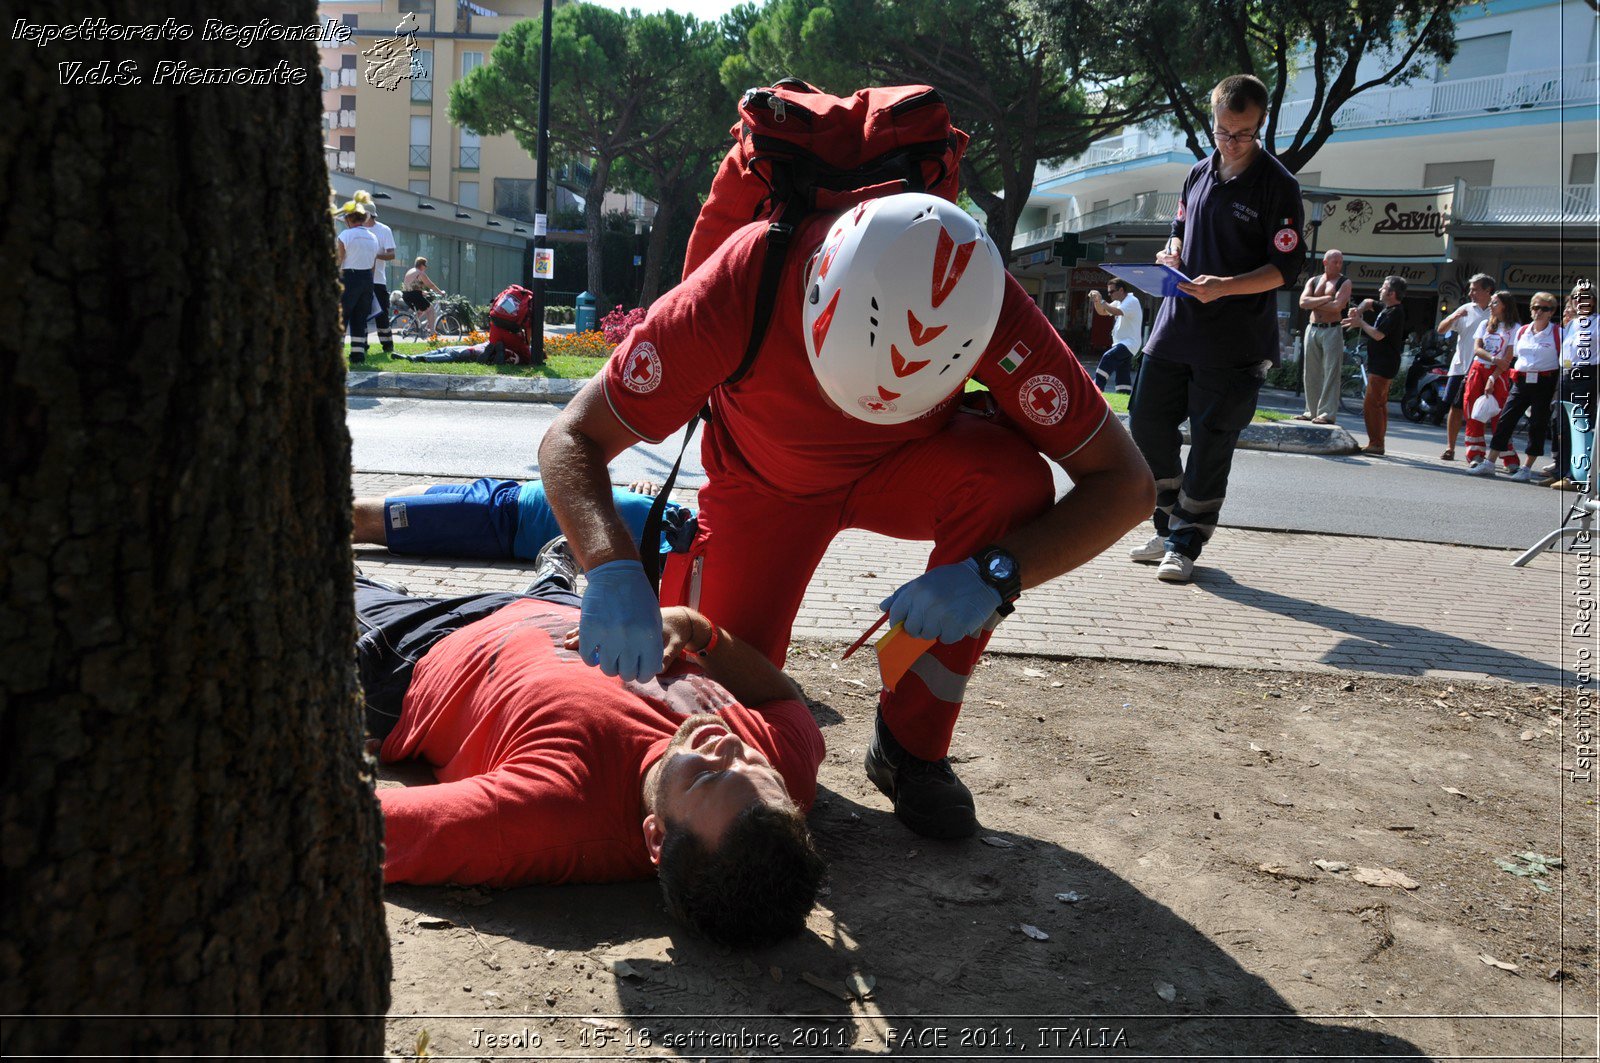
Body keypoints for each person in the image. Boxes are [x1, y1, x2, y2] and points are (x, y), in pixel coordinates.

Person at [539, 191, 1154, 840]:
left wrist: (997, 571)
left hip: (903, 470)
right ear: (817, 291)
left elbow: (1128, 485)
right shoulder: (743, 282)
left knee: (1010, 483)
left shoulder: (985, 298)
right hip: (764, 483)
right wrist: (610, 567)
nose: (867, 406)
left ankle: (910, 745)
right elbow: (571, 436)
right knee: (722, 697)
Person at [359, 555, 826, 947]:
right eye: (755, 764)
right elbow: (786, 702)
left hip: (417, 647)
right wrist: (694, 627)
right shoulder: (780, 775)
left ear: (656, 838)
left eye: (706, 776)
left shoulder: (551, 812)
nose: (726, 746)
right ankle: (553, 573)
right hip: (577, 613)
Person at [1128, 74, 1305, 584]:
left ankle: (1185, 542)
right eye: (1222, 131)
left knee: (1212, 439)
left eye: (1242, 134)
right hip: (1176, 323)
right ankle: (1170, 520)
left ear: (1261, 125)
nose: (1230, 142)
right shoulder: (1197, 173)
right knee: (1145, 421)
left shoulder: (1279, 186)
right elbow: (1179, 228)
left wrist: (1226, 285)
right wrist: (1171, 251)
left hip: (1234, 340)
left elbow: (1285, 270)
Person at [353, 478, 696, 563]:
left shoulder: (683, 551)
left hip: (500, 526)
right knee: (400, 499)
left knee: (366, 518)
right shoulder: (686, 517)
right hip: (509, 494)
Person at [1473, 291, 1563, 481]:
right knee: (1506, 420)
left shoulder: (1557, 333)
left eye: (1544, 308)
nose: (1538, 312)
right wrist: (1494, 378)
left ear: (1551, 312)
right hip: (1521, 380)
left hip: (1544, 381)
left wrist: (1557, 389)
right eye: (1535, 307)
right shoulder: (1522, 331)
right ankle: (1490, 462)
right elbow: (1511, 357)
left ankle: (1527, 467)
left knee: (1537, 425)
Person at [1342, 276, 1407, 456]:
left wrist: (1359, 323)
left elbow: (1378, 335)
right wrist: (1359, 310)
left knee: (1372, 404)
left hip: (1384, 365)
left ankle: (1376, 443)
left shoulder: (1395, 312)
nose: (1379, 290)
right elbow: (1369, 302)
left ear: (1392, 293)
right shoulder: (1387, 308)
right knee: (1379, 403)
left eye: (1383, 287)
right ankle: (1377, 442)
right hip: (1381, 363)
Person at [1435, 274, 1496, 460]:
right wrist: (1454, 315)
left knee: (1482, 409)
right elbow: (1441, 329)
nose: (1471, 293)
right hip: (1461, 367)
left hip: (1485, 369)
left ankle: (1479, 450)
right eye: (1470, 289)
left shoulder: (1496, 312)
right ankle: (1450, 448)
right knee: (1456, 407)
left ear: (1488, 291)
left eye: (1475, 289)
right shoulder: (1466, 309)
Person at [1461, 290, 1520, 471]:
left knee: (1500, 415)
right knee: (1474, 411)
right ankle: (1476, 454)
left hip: (1499, 374)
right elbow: (1477, 349)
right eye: (1491, 302)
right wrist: (1493, 359)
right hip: (1478, 370)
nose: (1490, 306)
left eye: (1495, 303)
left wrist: (1493, 378)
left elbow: (1507, 358)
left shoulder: (1514, 328)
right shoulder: (1485, 324)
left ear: (1505, 306)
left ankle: (1508, 458)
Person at [1547, 280, 1595, 488]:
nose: (1578, 301)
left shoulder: (1598, 321)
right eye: (1574, 297)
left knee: (1579, 424)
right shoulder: (1572, 323)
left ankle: (1576, 476)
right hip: (1566, 373)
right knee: (1559, 423)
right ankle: (1561, 469)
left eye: (1583, 297)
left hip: (1587, 373)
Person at [1296, 248, 1352, 424]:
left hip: (1332, 329)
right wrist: (1325, 299)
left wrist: (1314, 303)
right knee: (1310, 371)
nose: (1338, 264)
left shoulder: (1344, 282)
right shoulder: (1314, 280)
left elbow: (1337, 307)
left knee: (1331, 372)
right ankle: (1310, 411)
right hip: (1312, 328)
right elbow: (1302, 302)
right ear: (1325, 262)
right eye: (1335, 261)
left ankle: (1326, 413)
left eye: (1340, 261)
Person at [335, 200, 381, 364]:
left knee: (342, 316)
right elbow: (373, 265)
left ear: (349, 219)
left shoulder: (345, 235)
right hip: (367, 278)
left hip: (349, 277)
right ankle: (358, 355)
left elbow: (339, 260)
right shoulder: (373, 237)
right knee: (360, 318)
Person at [1089, 279, 1143, 393]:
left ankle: (1096, 389)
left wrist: (1102, 300)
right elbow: (1102, 312)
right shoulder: (1120, 301)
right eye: (1108, 292)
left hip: (1129, 343)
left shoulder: (1131, 300)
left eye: (1111, 292)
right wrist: (1096, 301)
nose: (1109, 294)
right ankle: (1123, 394)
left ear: (1121, 290)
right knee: (1122, 373)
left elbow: (1115, 311)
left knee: (1107, 357)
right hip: (1122, 343)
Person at [360, 193, 398, 354]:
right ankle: (362, 346)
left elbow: (391, 254)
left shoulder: (383, 230)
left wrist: (375, 255)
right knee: (360, 314)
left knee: (381, 315)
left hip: (377, 281)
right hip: (360, 279)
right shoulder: (358, 230)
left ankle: (387, 346)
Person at [402, 256, 443, 333]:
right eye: (425, 265)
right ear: (421, 265)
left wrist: (421, 292)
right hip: (414, 296)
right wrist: (440, 292)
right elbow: (431, 285)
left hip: (406, 295)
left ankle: (411, 326)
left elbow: (411, 285)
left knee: (420, 310)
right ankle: (432, 331)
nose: (426, 267)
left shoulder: (410, 271)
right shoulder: (420, 273)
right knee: (430, 309)